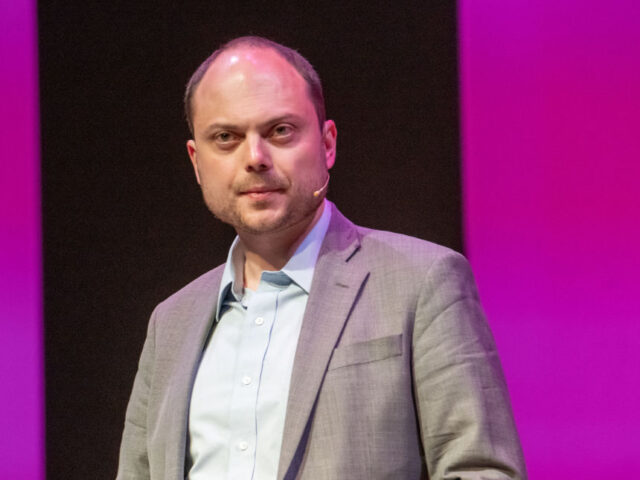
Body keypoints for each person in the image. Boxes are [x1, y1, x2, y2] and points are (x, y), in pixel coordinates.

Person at [117, 36, 527, 480]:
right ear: (197, 162)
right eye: (226, 138)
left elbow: (481, 471)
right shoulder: (170, 323)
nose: (255, 158)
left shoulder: (422, 282)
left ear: (327, 143)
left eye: (280, 131)